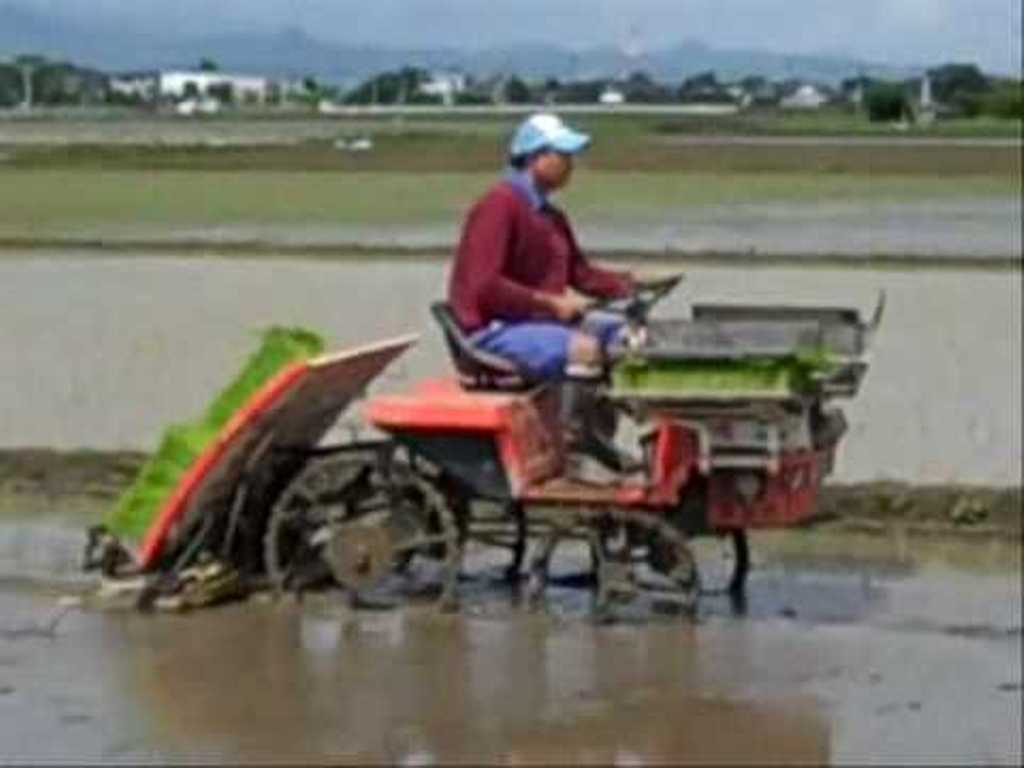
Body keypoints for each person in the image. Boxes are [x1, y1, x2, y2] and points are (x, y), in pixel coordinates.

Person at [447, 112, 638, 380]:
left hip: (538, 323)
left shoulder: (552, 217)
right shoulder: (498, 206)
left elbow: (580, 274)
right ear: (535, 157)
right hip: (494, 330)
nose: (571, 164)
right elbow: (485, 286)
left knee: (629, 337)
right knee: (584, 349)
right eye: (563, 155)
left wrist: (630, 283)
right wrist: (551, 303)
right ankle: (571, 420)